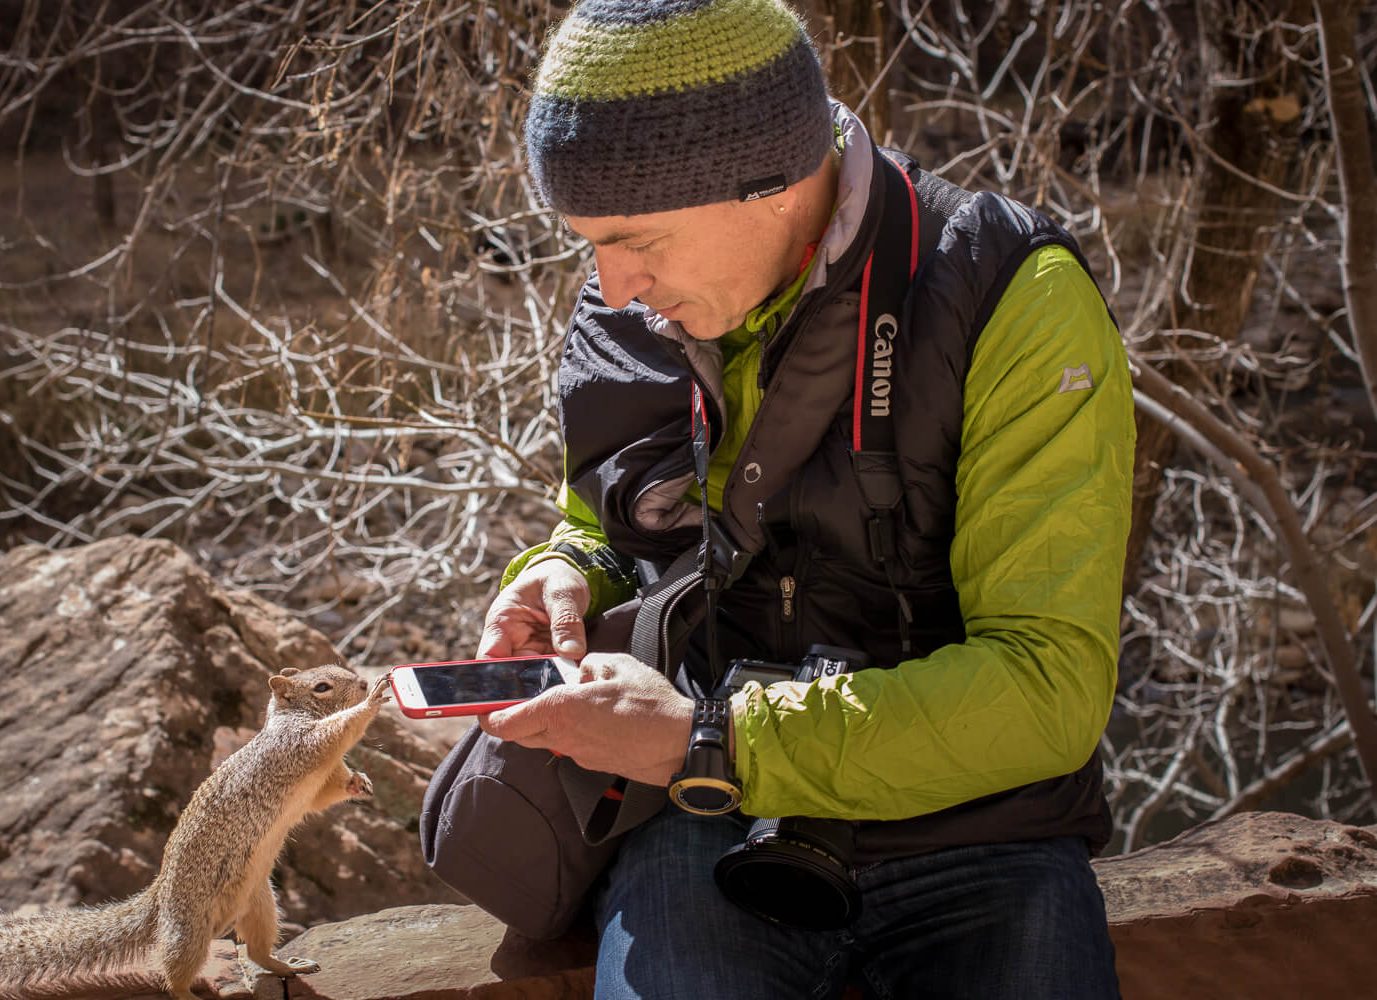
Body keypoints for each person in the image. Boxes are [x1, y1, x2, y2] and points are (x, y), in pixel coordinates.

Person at [475, 1, 1134, 996]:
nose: (613, 287)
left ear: (772, 185)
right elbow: (613, 525)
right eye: (590, 243)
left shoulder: (1010, 294)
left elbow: (1049, 688)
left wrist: (713, 737)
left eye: (635, 239)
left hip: (985, 834)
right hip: (706, 823)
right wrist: (563, 572)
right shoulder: (642, 305)